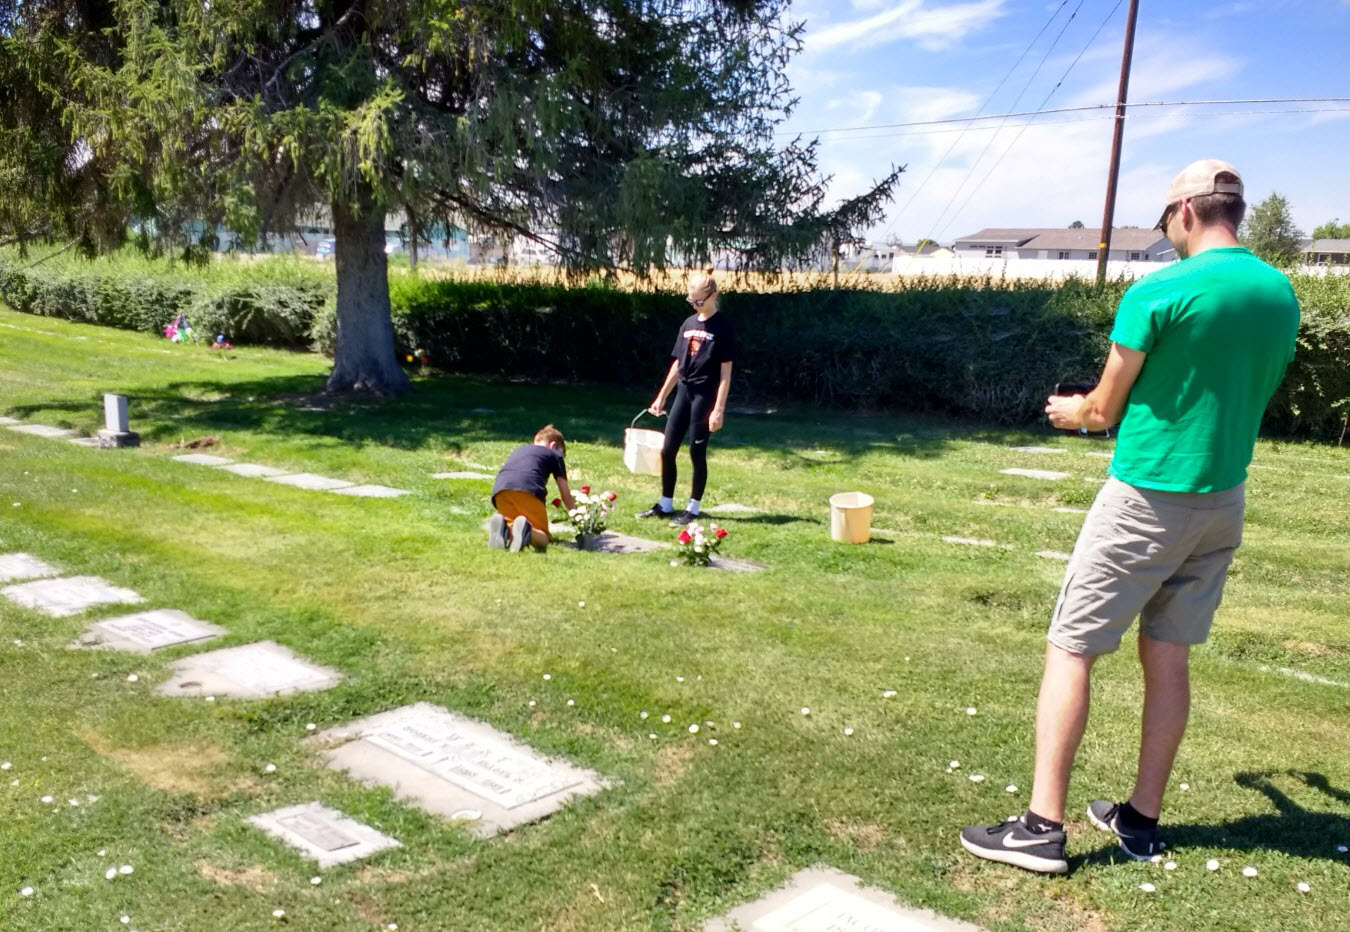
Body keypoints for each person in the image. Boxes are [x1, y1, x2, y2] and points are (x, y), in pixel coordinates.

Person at [959, 159, 1301, 874]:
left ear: (1183, 212)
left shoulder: (1162, 290)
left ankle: (1041, 827)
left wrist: (1070, 412)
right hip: (1223, 500)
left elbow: (1104, 408)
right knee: (1168, 655)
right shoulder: (1280, 293)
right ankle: (1140, 820)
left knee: (1071, 646)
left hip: (1147, 498)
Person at [638, 268, 736, 527]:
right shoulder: (688, 324)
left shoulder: (723, 327)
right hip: (684, 391)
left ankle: (693, 507)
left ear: (713, 295)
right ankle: (666, 504)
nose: (695, 305)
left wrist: (719, 409)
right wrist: (662, 397)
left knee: (696, 451)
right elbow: (678, 363)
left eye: (699, 301)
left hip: (705, 394)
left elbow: (726, 372)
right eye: (691, 301)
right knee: (668, 449)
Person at [488, 425, 576, 552]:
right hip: (527, 489)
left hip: (501, 490)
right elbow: (565, 494)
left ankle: (504, 527)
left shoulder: (521, 450)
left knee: (514, 523)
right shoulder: (555, 455)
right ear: (554, 446)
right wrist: (577, 515)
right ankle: (527, 530)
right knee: (543, 539)